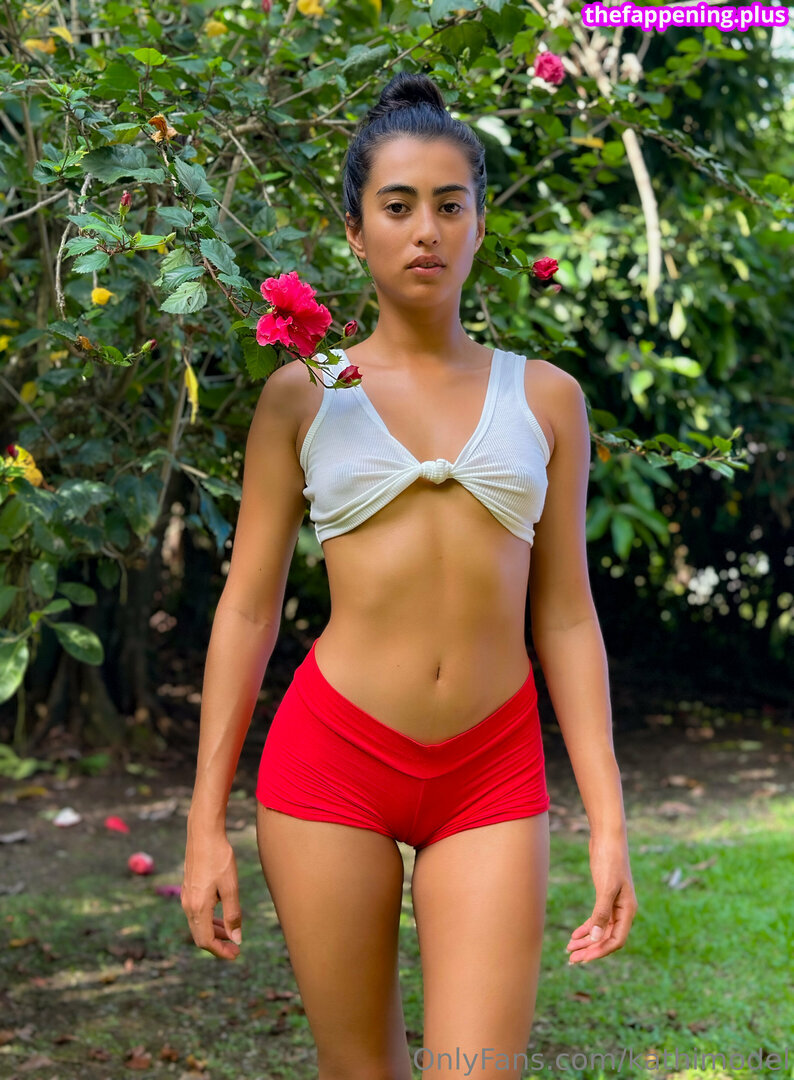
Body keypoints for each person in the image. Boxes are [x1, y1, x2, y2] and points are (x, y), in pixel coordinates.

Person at [182, 70, 638, 1080]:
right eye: (397, 206)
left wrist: (609, 823)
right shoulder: (305, 395)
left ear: (480, 224)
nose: (425, 230)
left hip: (490, 770)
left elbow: (567, 617)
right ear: (355, 230)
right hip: (330, 764)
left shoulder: (547, 399)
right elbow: (248, 610)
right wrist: (205, 822)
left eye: (449, 204)